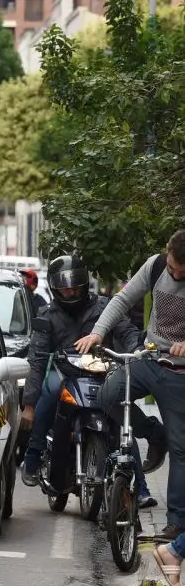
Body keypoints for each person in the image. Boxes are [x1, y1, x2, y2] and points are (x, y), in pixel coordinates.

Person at [19, 255, 163, 508]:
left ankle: (140, 488)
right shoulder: (46, 315)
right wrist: (28, 406)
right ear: (55, 288)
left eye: (75, 285)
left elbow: (126, 331)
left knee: (122, 425)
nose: (70, 291)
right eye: (64, 287)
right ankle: (33, 456)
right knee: (49, 392)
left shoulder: (104, 307)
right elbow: (38, 361)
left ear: (85, 284)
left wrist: (137, 350)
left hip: (102, 372)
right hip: (66, 374)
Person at [76, 230, 185, 543]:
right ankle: (154, 433)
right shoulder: (155, 266)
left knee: (182, 451)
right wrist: (98, 333)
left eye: (182, 271)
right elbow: (122, 299)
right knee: (107, 394)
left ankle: (176, 522)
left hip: (179, 375)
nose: (175, 274)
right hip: (148, 359)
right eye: (173, 268)